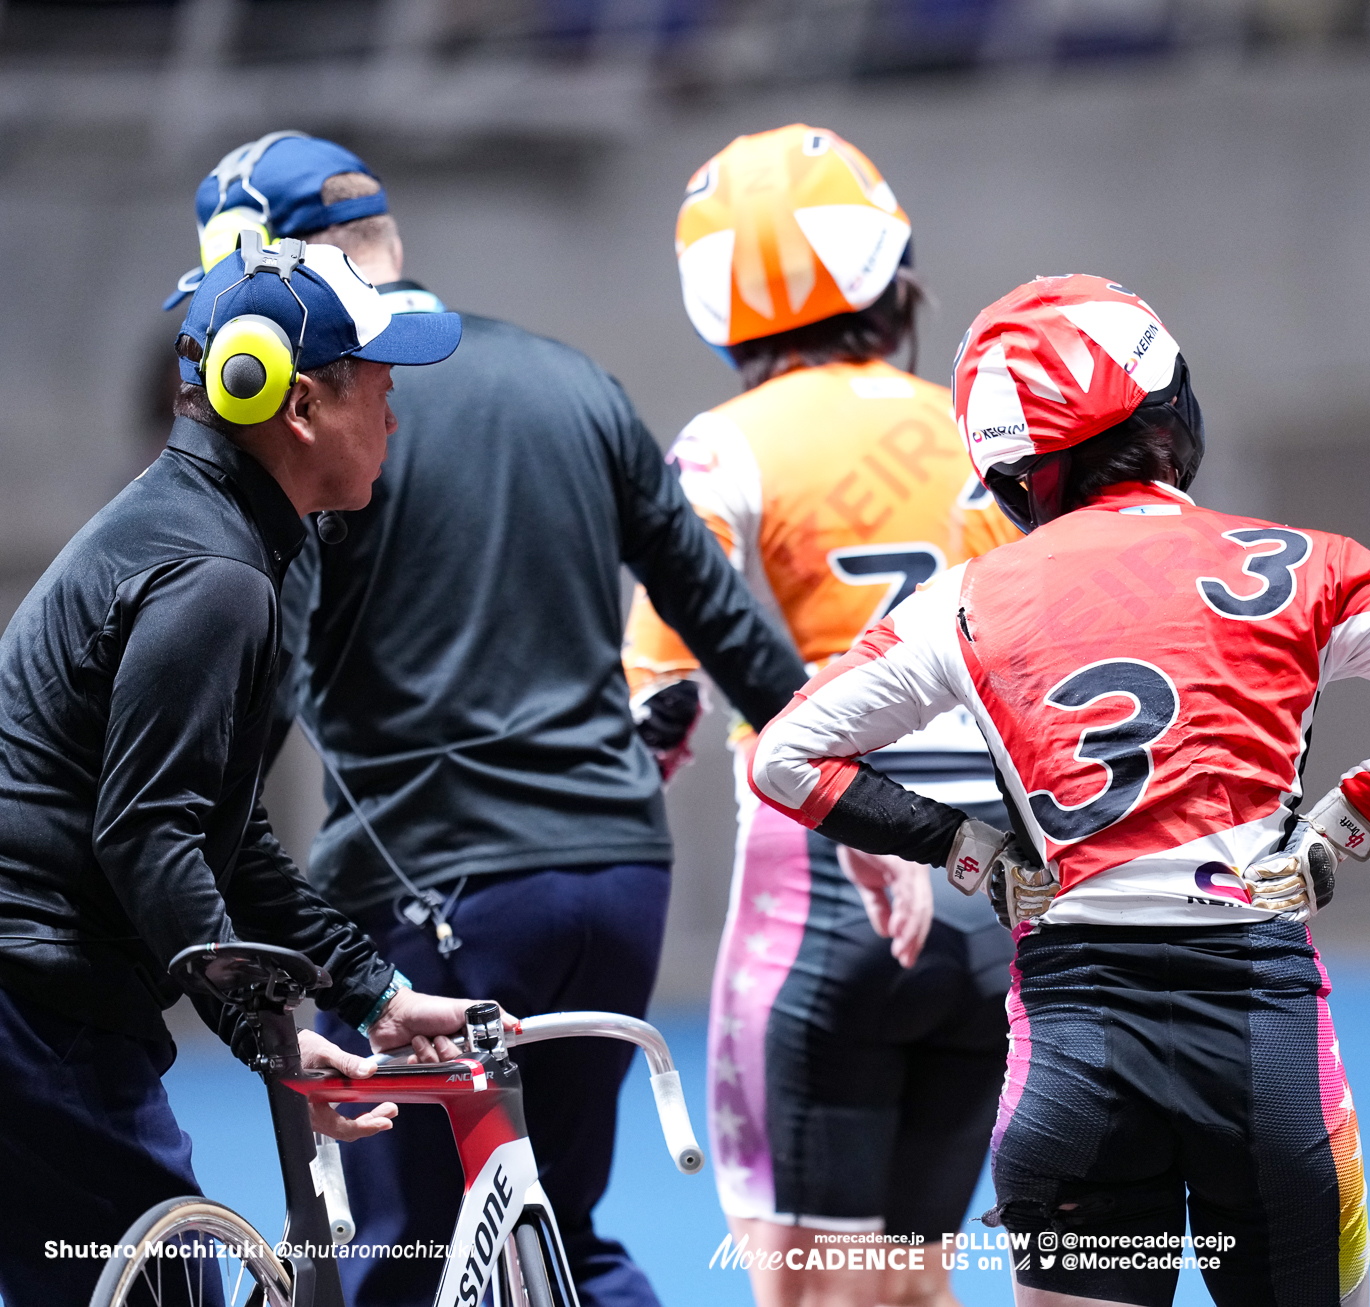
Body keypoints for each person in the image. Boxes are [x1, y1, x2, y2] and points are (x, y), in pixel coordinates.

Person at [747, 275, 1370, 1307]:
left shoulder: (963, 601)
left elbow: (785, 759)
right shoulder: (1306, 564)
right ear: (1171, 414)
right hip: (1265, 1052)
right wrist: (1346, 817)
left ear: (1018, 475)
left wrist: (965, 849)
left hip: (1072, 1064)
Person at [168, 132, 810, 1307]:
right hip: (618, 875)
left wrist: (189, 866)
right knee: (565, 1231)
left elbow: (263, 669)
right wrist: (853, 791)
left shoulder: (329, 412)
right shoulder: (573, 376)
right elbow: (726, 625)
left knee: (405, 1255)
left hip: (434, 893)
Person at [0, 236, 484, 1303]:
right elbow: (149, 835)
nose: (395, 417)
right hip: (34, 1009)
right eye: (379, 388)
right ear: (298, 405)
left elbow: (227, 835)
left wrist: (374, 990)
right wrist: (274, 1037)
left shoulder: (214, 538)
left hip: (36, 998)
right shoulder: (216, 575)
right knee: (164, 1288)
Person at [619, 123, 1020, 1307]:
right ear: (890, 274)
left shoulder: (727, 442)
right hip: (993, 884)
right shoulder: (980, 434)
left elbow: (663, 691)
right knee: (913, 1278)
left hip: (823, 886)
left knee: (810, 1292)